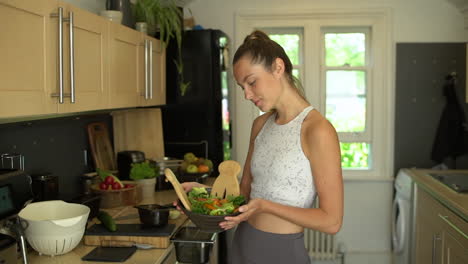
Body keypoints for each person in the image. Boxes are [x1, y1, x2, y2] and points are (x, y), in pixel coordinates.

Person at [177, 30, 343, 264]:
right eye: (242, 86)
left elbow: (331, 221)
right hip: (242, 245)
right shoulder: (260, 125)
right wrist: (202, 195)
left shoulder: (317, 130)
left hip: (282, 253)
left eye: (252, 82)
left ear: (278, 67)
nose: (247, 94)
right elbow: (244, 195)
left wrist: (265, 206)